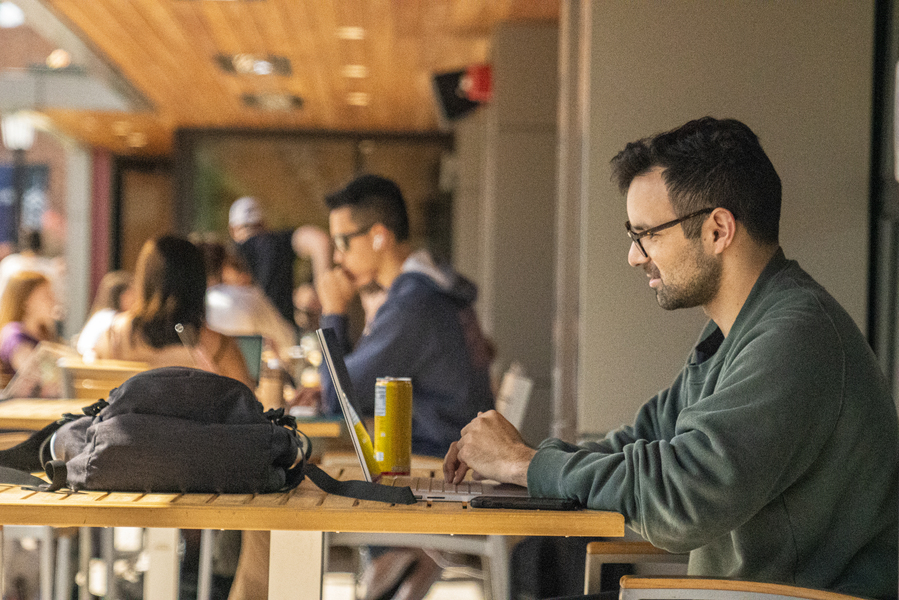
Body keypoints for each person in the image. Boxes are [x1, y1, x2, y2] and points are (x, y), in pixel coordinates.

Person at [444, 117, 899, 599]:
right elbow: (640, 444)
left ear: (718, 230)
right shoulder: (738, 332)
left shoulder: (796, 337)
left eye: (648, 234)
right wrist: (520, 463)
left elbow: (681, 499)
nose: (635, 257)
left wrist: (525, 466)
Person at [228, 175, 495, 600]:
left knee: (276, 481)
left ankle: (395, 555)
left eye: (343, 241)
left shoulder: (415, 301)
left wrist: (334, 312)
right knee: (285, 469)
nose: (336, 256)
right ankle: (393, 560)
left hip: (424, 461)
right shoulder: (424, 290)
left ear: (377, 236)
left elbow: (342, 399)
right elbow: (353, 384)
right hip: (426, 448)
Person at [94, 235, 251, 387]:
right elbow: (248, 404)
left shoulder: (112, 338)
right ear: (197, 284)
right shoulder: (218, 347)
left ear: (145, 280)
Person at [228, 197, 332, 325]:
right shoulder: (277, 242)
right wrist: (321, 294)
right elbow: (320, 241)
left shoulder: (229, 255)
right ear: (263, 223)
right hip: (288, 331)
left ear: (232, 229)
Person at [202, 241, 297, 360]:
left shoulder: (203, 305)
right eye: (235, 265)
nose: (244, 274)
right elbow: (288, 340)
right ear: (225, 268)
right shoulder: (237, 298)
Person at [0, 270, 59, 380]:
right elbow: (36, 374)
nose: (53, 301)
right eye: (46, 295)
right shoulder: (13, 334)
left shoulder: (42, 333)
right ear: (26, 301)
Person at [76, 270, 135, 359]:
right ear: (123, 296)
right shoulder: (113, 320)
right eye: (132, 293)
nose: (136, 299)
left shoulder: (101, 315)